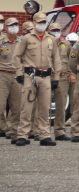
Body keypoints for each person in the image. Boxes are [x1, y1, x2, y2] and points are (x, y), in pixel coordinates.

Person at [13, 11, 61, 146]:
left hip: (45, 76)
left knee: (45, 108)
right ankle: (23, 135)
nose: (42, 24)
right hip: (30, 75)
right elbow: (16, 56)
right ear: (34, 23)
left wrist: (56, 76)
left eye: (44, 22)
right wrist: (19, 73)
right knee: (26, 107)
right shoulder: (26, 38)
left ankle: (45, 135)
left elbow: (56, 58)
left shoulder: (51, 39)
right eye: (39, 22)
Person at [0, 17, 22, 140]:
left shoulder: (22, 41)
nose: (14, 27)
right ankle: (5, 127)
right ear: (6, 27)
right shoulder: (1, 40)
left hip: (17, 75)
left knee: (17, 107)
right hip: (2, 74)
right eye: (11, 25)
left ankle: (14, 133)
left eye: (16, 24)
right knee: (1, 105)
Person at [51, 23, 74, 141]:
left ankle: (59, 131)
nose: (56, 32)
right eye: (53, 30)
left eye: (58, 30)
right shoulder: (47, 43)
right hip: (48, 77)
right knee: (43, 106)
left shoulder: (66, 44)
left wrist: (71, 74)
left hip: (63, 78)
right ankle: (38, 131)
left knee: (61, 106)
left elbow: (71, 61)